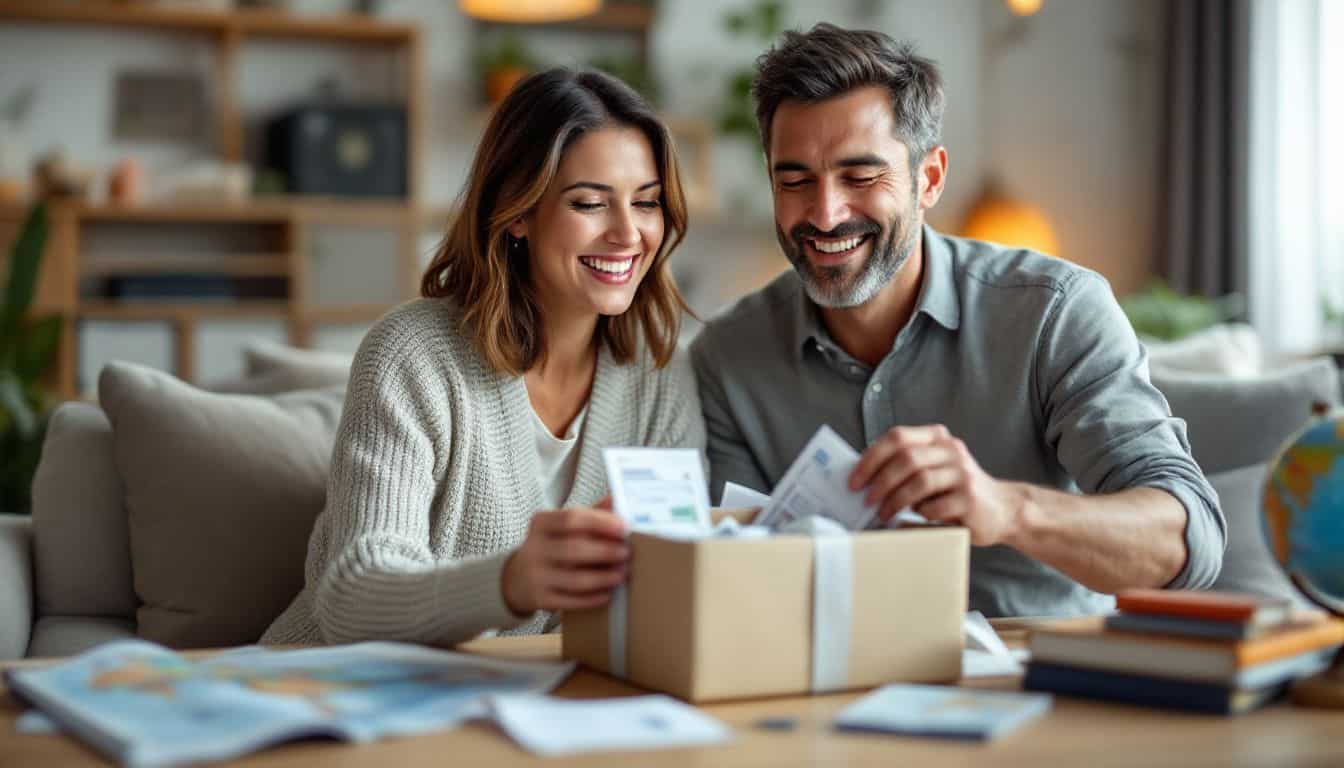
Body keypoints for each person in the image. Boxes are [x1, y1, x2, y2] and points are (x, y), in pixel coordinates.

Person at [690, 24, 1225, 617]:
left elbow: (1189, 541)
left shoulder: (1054, 311)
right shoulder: (726, 356)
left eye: (862, 178)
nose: (824, 212)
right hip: (824, 687)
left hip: (1037, 679)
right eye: (794, 181)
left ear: (931, 179)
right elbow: (735, 581)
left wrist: (1007, 509)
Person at [264, 68, 703, 646]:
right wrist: (513, 582)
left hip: (529, 706)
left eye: (646, 203)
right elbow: (352, 599)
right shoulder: (412, 355)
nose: (628, 233)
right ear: (517, 211)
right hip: (333, 693)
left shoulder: (661, 375)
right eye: (590, 203)